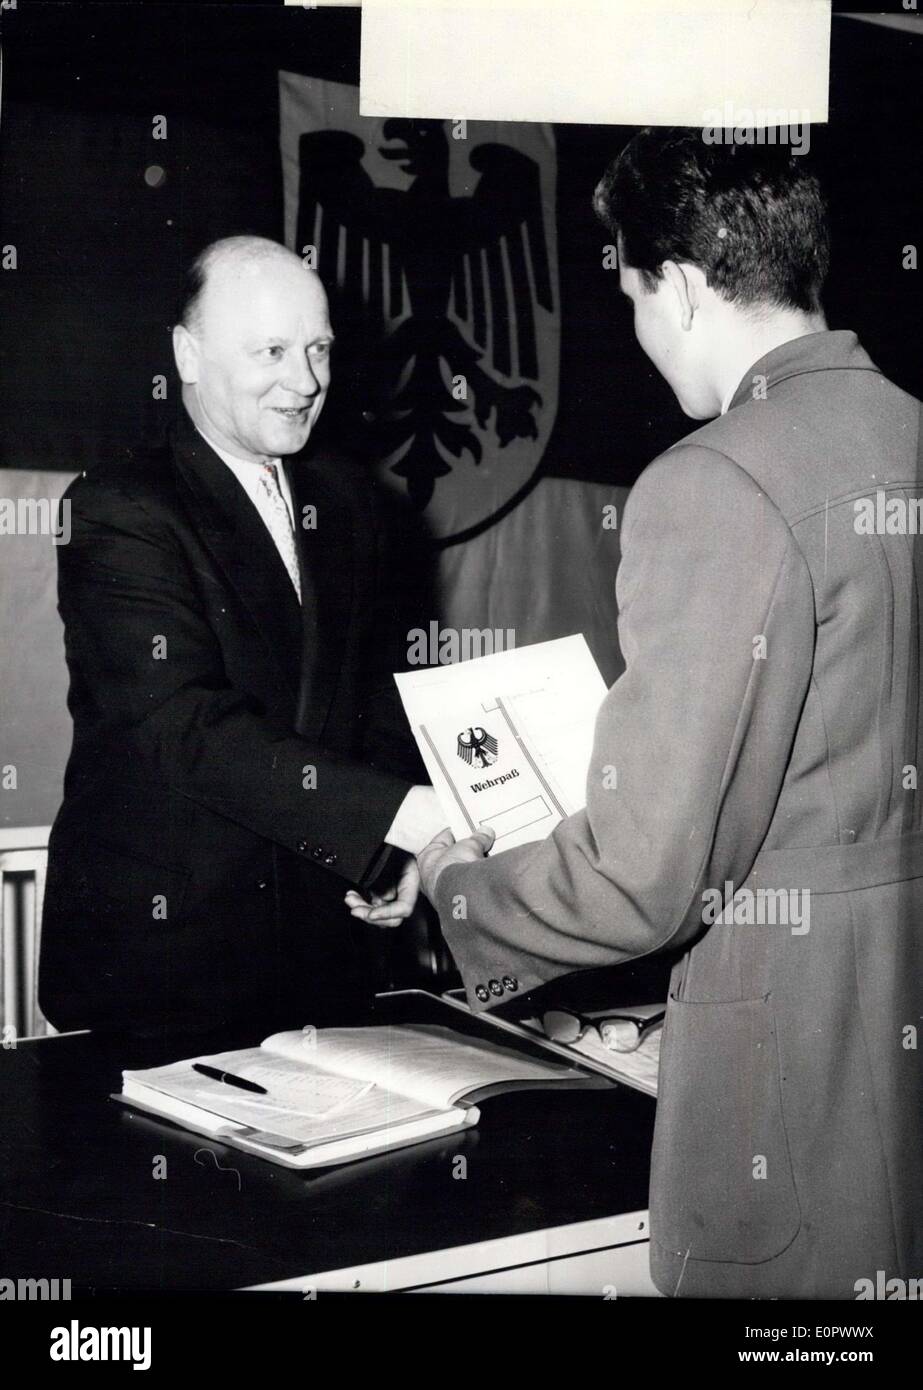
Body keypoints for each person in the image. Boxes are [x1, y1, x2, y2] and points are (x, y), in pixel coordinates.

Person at [411, 131, 923, 1298]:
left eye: (635, 292)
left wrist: (456, 890)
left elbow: (640, 876)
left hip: (792, 1094)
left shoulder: (713, 480)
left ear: (681, 288)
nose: (640, 330)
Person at [40, 236, 444, 1036]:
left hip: (326, 944)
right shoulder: (118, 506)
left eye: (319, 349)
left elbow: (376, 697)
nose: (305, 382)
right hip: (165, 962)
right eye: (271, 351)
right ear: (188, 355)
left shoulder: (352, 502)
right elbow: (180, 725)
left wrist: (390, 850)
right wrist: (403, 815)